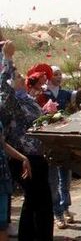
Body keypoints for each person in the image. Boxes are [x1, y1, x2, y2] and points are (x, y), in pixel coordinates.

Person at [0, 41, 54, 241]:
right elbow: (3, 86)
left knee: (38, 201)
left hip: (37, 156)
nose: (23, 78)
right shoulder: (9, 100)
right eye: (19, 76)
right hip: (22, 158)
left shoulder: (27, 99)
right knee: (36, 199)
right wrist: (7, 57)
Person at [43, 66, 76, 229]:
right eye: (55, 74)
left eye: (60, 74)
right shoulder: (43, 94)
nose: (58, 77)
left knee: (66, 179)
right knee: (53, 180)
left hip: (64, 140)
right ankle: (57, 212)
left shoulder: (65, 94)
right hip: (50, 142)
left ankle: (65, 207)